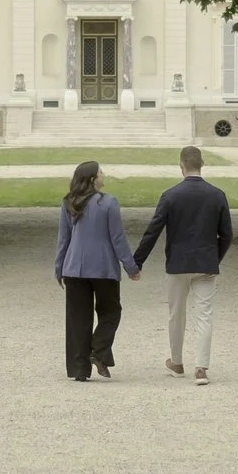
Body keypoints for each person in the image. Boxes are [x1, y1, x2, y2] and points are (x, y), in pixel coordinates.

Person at [134, 146, 233, 386]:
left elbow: (153, 231)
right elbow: (227, 235)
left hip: (177, 263)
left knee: (176, 314)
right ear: (202, 164)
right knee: (204, 316)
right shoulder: (217, 195)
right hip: (206, 263)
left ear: (181, 166)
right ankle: (201, 367)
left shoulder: (171, 195)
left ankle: (177, 362)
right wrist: (213, 258)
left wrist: (136, 261)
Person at [55, 160, 140, 381]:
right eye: (101, 171)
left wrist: (59, 267)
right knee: (111, 312)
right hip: (103, 268)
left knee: (77, 319)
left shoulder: (68, 202)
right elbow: (117, 238)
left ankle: (79, 369)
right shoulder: (109, 202)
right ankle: (98, 350)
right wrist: (130, 267)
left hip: (74, 268)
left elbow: (63, 240)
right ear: (93, 179)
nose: (104, 174)